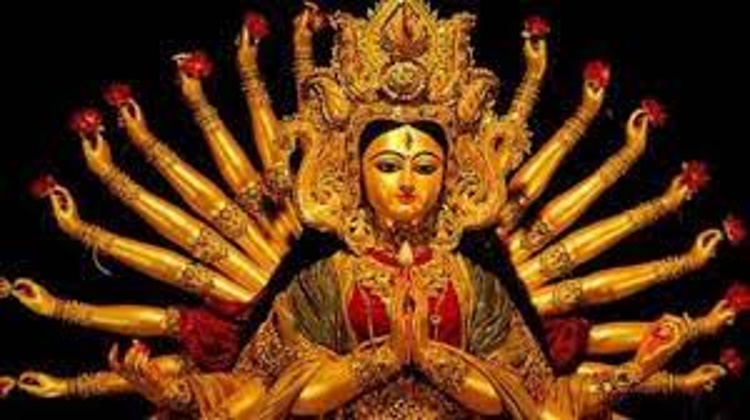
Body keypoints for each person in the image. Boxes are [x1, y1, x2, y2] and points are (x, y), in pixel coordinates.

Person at [2, 1, 744, 418]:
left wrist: (636, 371)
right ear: (350, 176)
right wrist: (176, 390)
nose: (407, 183)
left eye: (425, 165)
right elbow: (255, 396)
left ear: (455, 176)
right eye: (387, 165)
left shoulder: (477, 290)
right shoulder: (322, 286)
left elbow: (544, 405)